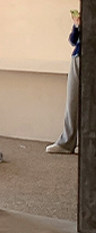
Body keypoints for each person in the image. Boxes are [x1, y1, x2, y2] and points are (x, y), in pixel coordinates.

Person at [46, 9, 81, 154]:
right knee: (72, 100)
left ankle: (86, 143)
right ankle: (66, 143)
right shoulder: (82, 19)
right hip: (78, 57)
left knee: (89, 103)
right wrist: (77, 26)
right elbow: (72, 41)